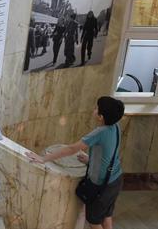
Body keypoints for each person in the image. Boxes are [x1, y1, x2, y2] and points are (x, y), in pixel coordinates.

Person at [26, 96, 125, 229]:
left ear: (101, 117)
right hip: (116, 180)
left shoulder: (99, 132)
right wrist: (90, 160)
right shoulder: (116, 126)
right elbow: (109, 152)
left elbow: (72, 149)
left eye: (96, 108)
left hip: (103, 186)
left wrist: (43, 158)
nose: (93, 109)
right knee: (106, 215)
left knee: (94, 221)